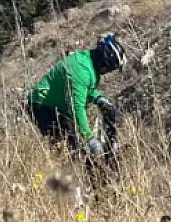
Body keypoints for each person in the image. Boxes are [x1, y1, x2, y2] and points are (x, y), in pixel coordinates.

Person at [26, 33, 126, 187]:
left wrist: (98, 98)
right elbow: (77, 107)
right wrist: (89, 138)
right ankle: (79, 187)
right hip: (44, 106)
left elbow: (83, 90)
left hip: (59, 105)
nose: (108, 71)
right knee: (75, 149)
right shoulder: (82, 70)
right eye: (109, 68)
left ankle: (93, 184)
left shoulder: (88, 64)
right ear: (104, 62)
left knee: (77, 148)